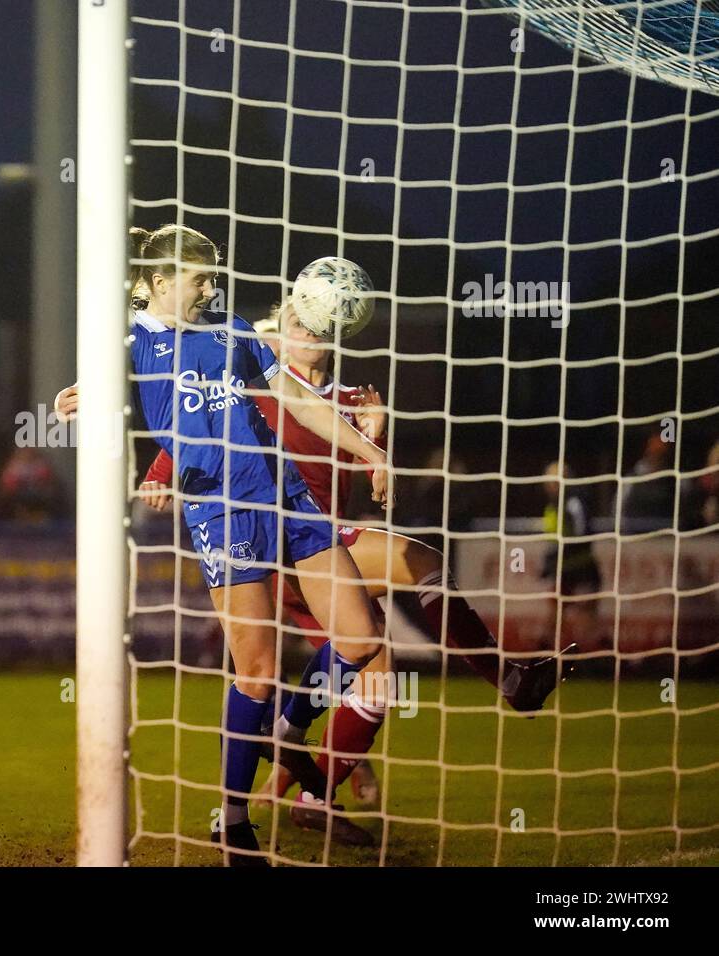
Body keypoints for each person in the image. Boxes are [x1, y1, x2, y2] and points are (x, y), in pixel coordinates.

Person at [127, 301, 572, 833]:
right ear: (279, 338)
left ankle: (311, 783)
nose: (308, 333)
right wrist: (157, 472)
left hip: (320, 536)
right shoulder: (262, 383)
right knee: (411, 576)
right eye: (295, 325)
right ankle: (500, 681)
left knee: (377, 675)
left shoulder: (344, 399)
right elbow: (195, 423)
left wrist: (374, 440)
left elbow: (354, 476)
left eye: (319, 325)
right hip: (276, 539)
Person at [63, 224, 396, 865]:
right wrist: (73, 397)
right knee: (258, 669)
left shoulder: (232, 330)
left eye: (212, 277)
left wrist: (370, 451)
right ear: (161, 282)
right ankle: (234, 818)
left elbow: (296, 397)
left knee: (360, 640)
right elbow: (90, 393)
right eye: (199, 279)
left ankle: (289, 725)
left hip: (287, 494)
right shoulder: (130, 343)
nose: (211, 289)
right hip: (221, 507)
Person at [540, 461, 602, 650]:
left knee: (587, 614)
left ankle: (594, 655)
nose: (552, 486)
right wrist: (551, 561)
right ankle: (546, 650)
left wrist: (559, 554)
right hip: (564, 569)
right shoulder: (553, 506)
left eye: (556, 481)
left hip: (582, 568)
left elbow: (583, 533)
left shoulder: (574, 502)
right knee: (556, 611)